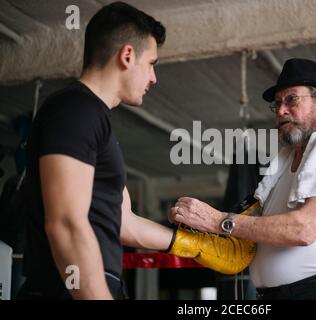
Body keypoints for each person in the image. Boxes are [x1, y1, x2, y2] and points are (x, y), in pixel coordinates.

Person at [17, 2, 253, 300]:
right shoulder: (76, 111)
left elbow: (123, 223)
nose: (153, 78)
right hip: (69, 289)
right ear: (127, 55)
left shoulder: (93, 118)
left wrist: (196, 245)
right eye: (152, 63)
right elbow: (65, 223)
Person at [169, 58, 316, 300]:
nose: (280, 110)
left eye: (291, 99)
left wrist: (218, 221)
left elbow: (304, 229)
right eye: (277, 104)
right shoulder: (285, 161)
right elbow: (264, 229)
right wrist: (193, 228)